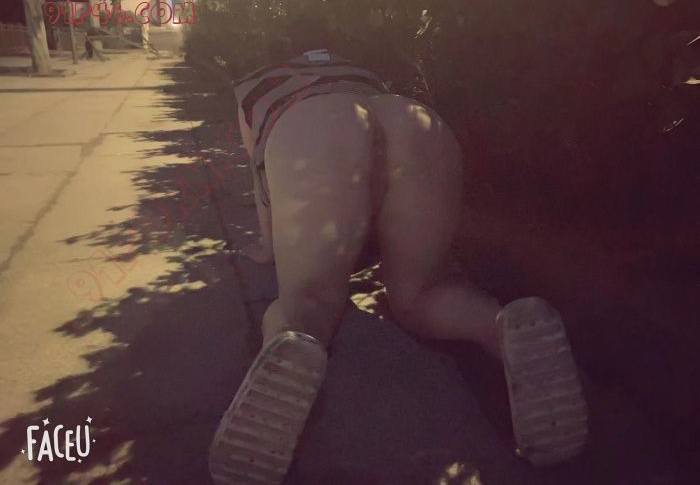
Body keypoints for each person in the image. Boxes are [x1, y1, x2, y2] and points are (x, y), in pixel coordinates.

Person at [208, 30, 589, 485]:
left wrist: (268, 245)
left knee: (308, 302)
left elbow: (261, 181)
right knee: (422, 293)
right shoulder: (360, 72)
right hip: (415, 123)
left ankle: (290, 344)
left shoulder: (253, 85)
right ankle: (503, 328)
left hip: (314, 129)